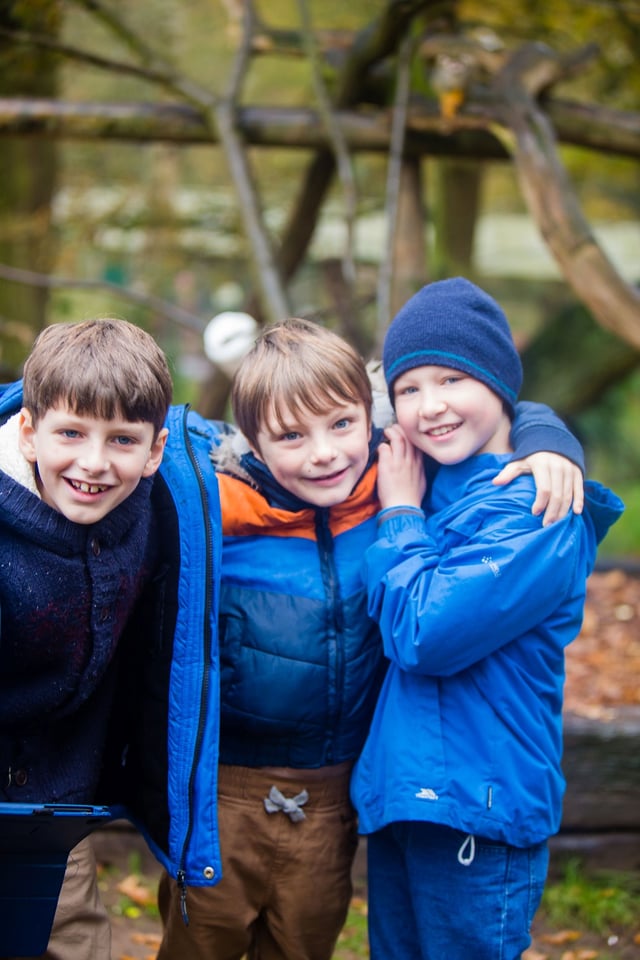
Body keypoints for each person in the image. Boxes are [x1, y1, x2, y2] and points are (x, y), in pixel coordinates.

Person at [156, 315, 587, 960]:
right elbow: (143, 437)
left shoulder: (401, 490)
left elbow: (481, 409)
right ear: (251, 442)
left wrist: (548, 437)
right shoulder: (216, 513)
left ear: (372, 417)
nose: (324, 452)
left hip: (335, 798)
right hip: (225, 793)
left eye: (340, 425)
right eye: (292, 436)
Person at [349, 278, 625, 960]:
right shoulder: (434, 474)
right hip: (410, 798)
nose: (429, 406)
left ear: (497, 383)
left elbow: (425, 633)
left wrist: (400, 514)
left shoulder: (536, 509)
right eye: (409, 388)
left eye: (451, 379)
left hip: (479, 800)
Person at [0, 317, 223, 960]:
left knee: (75, 942)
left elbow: (293, 437)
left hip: (54, 811)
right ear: (29, 433)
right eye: (70, 432)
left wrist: (536, 434)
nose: (94, 463)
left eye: (122, 440)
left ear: (155, 451)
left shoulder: (158, 502)